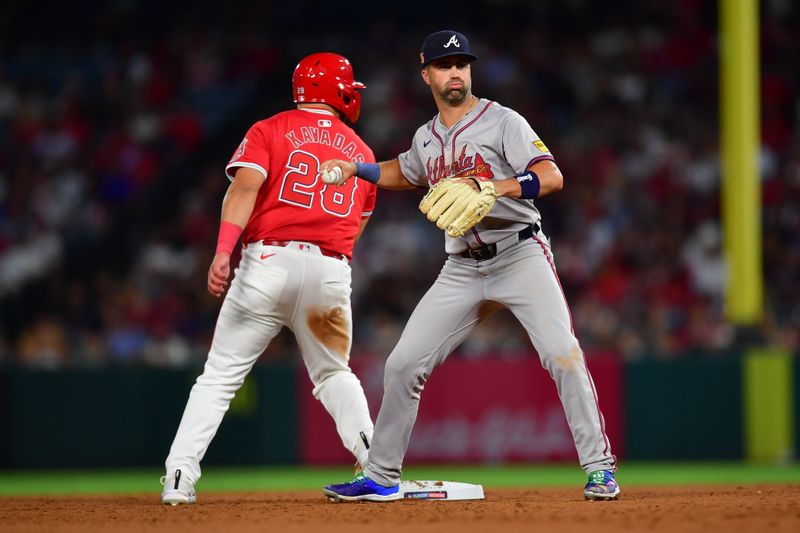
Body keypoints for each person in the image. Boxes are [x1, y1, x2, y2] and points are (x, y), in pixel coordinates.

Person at [320, 30, 619, 502]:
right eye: (444, 65)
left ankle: (600, 468)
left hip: (520, 253)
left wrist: (493, 187)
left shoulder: (503, 121)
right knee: (401, 365)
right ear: (427, 75)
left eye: (461, 63)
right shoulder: (426, 137)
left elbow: (551, 175)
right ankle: (381, 476)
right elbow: (406, 169)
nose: (455, 72)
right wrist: (359, 168)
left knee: (563, 354)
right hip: (461, 267)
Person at [160, 52, 378, 505]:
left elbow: (243, 188)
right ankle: (376, 465)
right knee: (334, 374)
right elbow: (356, 227)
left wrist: (223, 250)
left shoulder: (270, 129)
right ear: (336, 90)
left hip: (267, 262)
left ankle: (179, 478)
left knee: (219, 379)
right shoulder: (361, 152)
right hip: (329, 269)